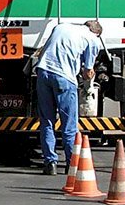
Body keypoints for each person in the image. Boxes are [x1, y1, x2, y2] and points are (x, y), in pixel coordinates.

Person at [34, 20, 103, 175]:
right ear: (97, 33)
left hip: (43, 73)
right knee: (69, 123)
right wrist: (89, 80)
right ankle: (71, 163)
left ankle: (50, 163)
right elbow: (87, 72)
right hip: (64, 78)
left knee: (47, 120)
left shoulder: (61, 27)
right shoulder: (93, 40)